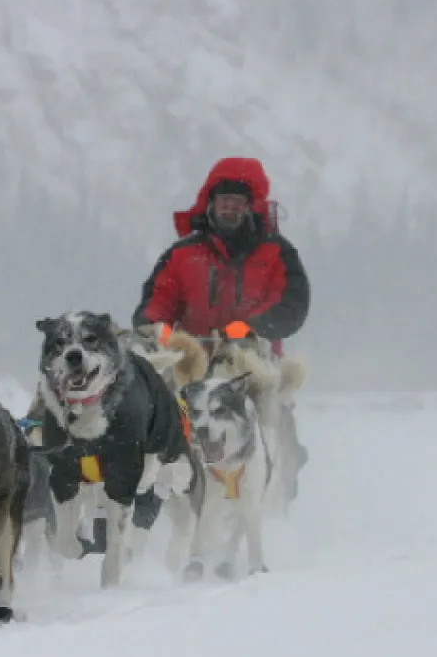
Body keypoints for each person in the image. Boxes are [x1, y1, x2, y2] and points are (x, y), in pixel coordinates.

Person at [131, 156, 311, 497]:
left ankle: (275, 488)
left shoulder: (277, 253)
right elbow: (157, 301)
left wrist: (253, 327)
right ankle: (154, 489)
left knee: (275, 417)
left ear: (251, 206)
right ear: (210, 204)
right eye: (223, 200)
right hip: (192, 359)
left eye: (237, 201)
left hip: (254, 360)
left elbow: (293, 304)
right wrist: (157, 327)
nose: (229, 208)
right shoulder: (183, 255)